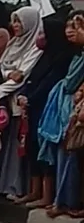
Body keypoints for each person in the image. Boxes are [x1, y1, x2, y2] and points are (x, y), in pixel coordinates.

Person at [15, 15, 74, 206]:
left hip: (47, 108)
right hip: (33, 107)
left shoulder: (62, 57)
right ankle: (34, 191)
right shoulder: (44, 55)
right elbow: (31, 78)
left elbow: (50, 82)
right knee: (32, 148)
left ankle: (47, 195)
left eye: (43, 33)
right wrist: (24, 94)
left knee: (45, 150)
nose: (40, 37)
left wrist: (30, 98)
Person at [0, 7, 44, 199]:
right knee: (5, 146)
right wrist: (6, 74)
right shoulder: (14, 42)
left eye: (20, 21)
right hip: (6, 101)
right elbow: (1, 69)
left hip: (17, 103)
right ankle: (1, 185)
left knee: (17, 146)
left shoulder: (35, 47)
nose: (16, 26)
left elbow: (21, 75)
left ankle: (16, 187)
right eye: (14, 21)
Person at [36, 13, 84, 217]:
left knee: (71, 155)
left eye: (78, 26)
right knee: (65, 154)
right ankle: (61, 200)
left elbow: (72, 82)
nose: (70, 31)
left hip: (74, 112)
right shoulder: (77, 54)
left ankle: (67, 201)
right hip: (67, 109)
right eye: (69, 26)